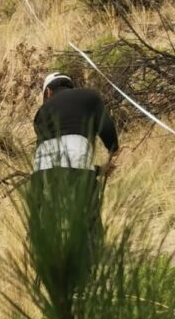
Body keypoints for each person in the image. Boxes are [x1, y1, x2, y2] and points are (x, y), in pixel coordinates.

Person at [31, 72, 119, 244]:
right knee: (88, 224)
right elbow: (105, 128)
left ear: (48, 92)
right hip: (78, 168)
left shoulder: (41, 113)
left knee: (47, 229)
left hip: (41, 173)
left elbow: (57, 159)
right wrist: (113, 148)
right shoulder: (89, 96)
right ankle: (93, 254)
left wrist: (99, 170)